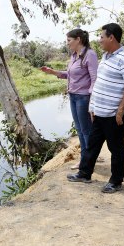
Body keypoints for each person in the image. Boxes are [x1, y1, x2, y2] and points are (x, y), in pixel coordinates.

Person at [67, 23, 124, 193]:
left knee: (116, 148)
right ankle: (84, 173)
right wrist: (92, 106)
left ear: (111, 37)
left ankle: (116, 181)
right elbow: (98, 82)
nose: (99, 40)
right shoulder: (106, 56)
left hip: (113, 114)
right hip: (99, 111)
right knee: (92, 144)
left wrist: (121, 109)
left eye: (101, 37)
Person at [41, 29, 98, 169]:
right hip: (73, 97)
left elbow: (94, 79)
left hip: (84, 98)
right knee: (80, 130)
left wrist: (92, 100)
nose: (67, 44)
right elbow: (70, 74)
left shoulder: (89, 55)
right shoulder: (74, 55)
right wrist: (53, 72)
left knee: (86, 131)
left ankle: (89, 161)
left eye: (69, 41)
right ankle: (85, 159)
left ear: (78, 39)